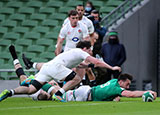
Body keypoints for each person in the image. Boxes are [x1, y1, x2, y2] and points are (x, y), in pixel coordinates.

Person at [0, 41, 121, 102]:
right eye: (89, 49)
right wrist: (112, 68)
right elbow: (97, 62)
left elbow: (82, 65)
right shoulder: (81, 52)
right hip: (55, 67)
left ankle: (10, 92)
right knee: (77, 79)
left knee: (31, 89)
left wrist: (90, 66)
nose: (90, 51)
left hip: (48, 67)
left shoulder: (74, 53)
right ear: (85, 48)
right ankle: (59, 94)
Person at [62, 73, 157, 102]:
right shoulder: (116, 88)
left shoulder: (114, 81)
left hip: (86, 90)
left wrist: (114, 97)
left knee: (60, 96)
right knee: (58, 98)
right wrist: (146, 92)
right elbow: (131, 94)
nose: (127, 87)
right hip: (84, 95)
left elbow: (108, 93)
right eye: (127, 84)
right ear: (120, 82)